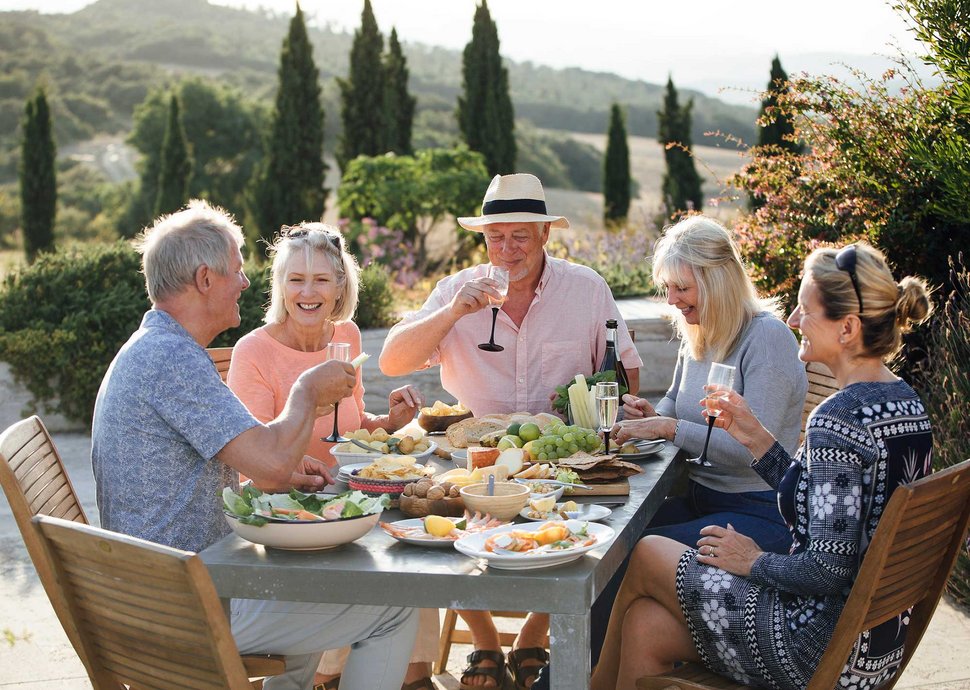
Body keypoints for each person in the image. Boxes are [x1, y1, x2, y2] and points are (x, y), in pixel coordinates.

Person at [91, 200, 418, 690]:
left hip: (170, 589)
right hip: (184, 607)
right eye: (238, 271)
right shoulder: (170, 361)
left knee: (315, 606)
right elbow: (267, 466)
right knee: (396, 605)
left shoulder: (158, 349)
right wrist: (306, 390)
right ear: (205, 279)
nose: (246, 283)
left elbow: (263, 456)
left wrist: (291, 462)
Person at [590, 242, 934, 690]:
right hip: (872, 647)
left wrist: (752, 561)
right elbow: (824, 502)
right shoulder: (906, 405)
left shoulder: (839, 419)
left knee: (648, 551)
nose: (792, 321)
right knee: (644, 624)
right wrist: (755, 436)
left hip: (812, 645)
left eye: (805, 311)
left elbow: (825, 571)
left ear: (847, 328)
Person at [381, 173, 642, 690]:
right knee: (435, 520)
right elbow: (392, 361)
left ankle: (532, 633)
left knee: (596, 524)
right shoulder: (458, 290)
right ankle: (483, 639)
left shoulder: (586, 289)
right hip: (468, 460)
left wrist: (594, 402)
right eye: (495, 237)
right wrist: (455, 311)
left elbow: (627, 373)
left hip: (558, 459)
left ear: (545, 235)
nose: (506, 249)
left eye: (519, 235)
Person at [578, 216, 808, 676]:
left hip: (758, 512)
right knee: (604, 543)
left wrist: (667, 429)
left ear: (718, 279)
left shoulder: (766, 339)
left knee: (627, 558)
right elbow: (675, 403)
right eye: (667, 288)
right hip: (701, 499)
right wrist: (651, 413)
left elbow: (748, 448)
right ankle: (579, 667)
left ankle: (582, 676)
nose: (672, 301)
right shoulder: (699, 332)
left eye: (681, 288)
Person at [225, 223, 435, 690]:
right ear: (280, 285)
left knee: (416, 548)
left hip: (352, 500)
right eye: (295, 279)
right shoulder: (253, 351)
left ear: (341, 284)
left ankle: (408, 675)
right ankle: (351, 675)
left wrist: (390, 424)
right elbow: (253, 466)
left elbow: (353, 430)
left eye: (321, 279)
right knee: (397, 569)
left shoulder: (348, 336)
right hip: (287, 514)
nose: (307, 291)